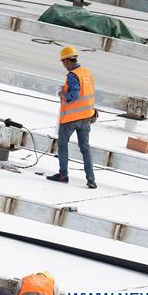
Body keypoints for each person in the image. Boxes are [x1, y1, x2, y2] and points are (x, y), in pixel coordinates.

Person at [47, 46, 97, 189]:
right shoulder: (86, 73)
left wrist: (62, 94)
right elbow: (87, 92)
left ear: (67, 61)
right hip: (87, 116)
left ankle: (63, 175)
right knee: (85, 148)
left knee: (62, 145)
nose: (63, 65)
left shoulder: (72, 75)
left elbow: (74, 95)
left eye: (63, 62)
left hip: (71, 118)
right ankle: (91, 179)